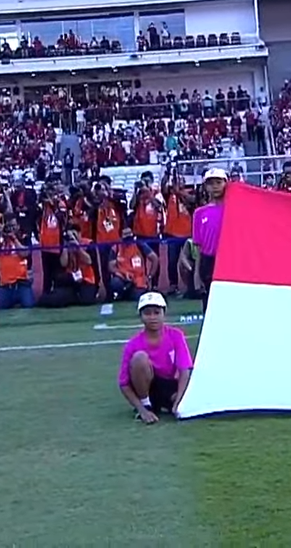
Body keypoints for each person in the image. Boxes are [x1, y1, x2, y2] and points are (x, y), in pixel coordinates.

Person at [118, 293, 194, 424]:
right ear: (140, 316)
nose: (152, 317)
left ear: (164, 313)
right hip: (148, 387)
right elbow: (124, 383)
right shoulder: (133, 344)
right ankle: (147, 404)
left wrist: (179, 401)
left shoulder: (176, 336)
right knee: (139, 358)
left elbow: (184, 370)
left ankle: (167, 402)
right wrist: (142, 409)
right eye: (147, 313)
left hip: (169, 386)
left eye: (156, 312)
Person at [191, 168, 229, 312]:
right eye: (211, 183)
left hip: (228, 259)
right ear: (205, 187)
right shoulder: (200, 213)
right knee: (209, 302)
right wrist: (197, 273)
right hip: (208, 261)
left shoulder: (232, 209)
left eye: (219, 182)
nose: (215, 186)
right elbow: (198, 246)